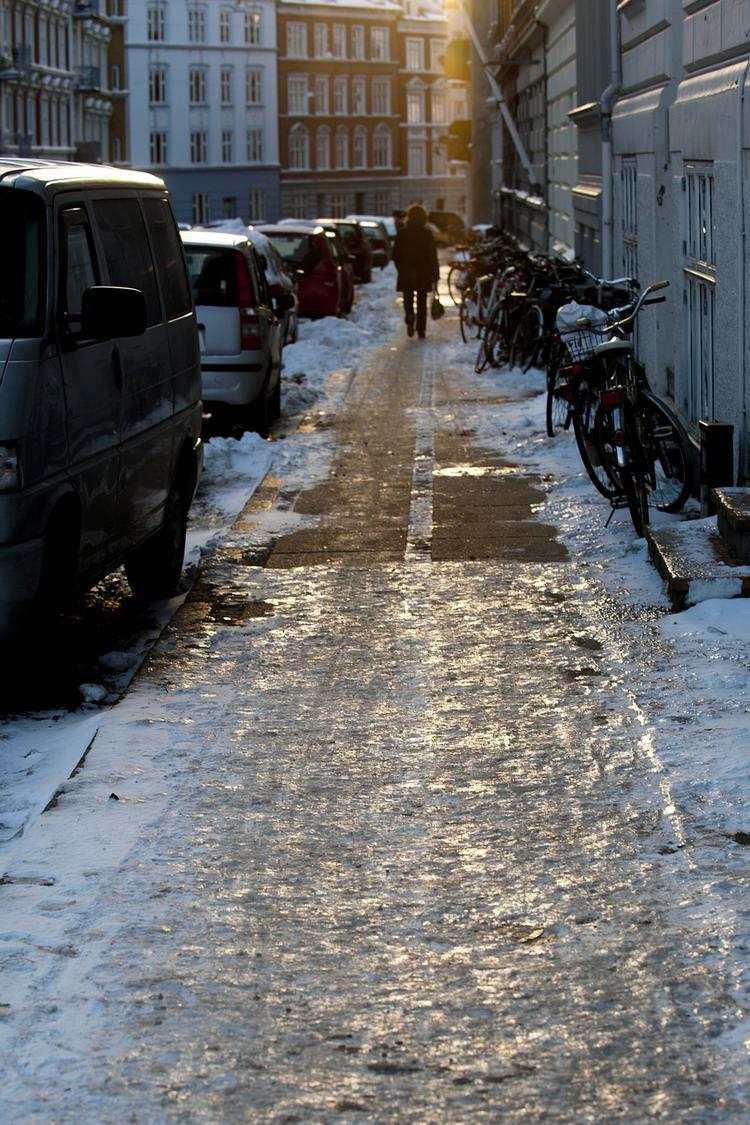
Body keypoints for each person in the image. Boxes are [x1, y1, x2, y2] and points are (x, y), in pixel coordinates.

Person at [392, 203, 439, 339]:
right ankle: (421, 330)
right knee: (422, 301)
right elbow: (432, 255)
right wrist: (435, 274)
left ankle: (409, 315)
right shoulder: (427, 234)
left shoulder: (402, 233)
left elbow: (395, 254)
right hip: (423, 272)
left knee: (408, 297)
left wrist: (401, 268)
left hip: (407, 271)